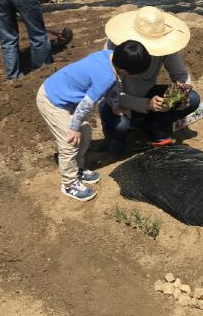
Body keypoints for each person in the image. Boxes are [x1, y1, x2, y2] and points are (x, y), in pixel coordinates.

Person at [37, 40, 151, 201]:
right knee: (70, 142)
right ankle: (69, 184)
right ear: (124, 70)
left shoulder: (109, 56)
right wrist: (74, 128)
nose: (136, 76)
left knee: (85, 132)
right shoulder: (105, 76)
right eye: (135, 73)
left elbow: (112, 88)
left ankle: (77, 169)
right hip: (52, 99)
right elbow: (86, 105)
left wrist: (115, 107)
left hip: (65, 98)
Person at [100, 6, 200, 153]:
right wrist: (147, 104)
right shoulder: (115, 49)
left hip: (145, 93)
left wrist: (181, 94)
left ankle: (151, 125)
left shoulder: (165, 48)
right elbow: (110, 93)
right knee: (121, 126)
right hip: (115, 100)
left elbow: (181, 75)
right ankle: (117, 137)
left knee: (193, 99)